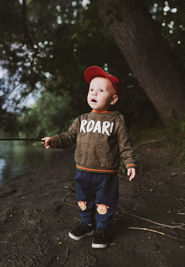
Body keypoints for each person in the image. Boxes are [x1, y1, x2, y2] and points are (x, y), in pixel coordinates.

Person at [42, 66, 136, 248]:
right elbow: (67, 137)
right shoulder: (81, 119)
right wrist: (53, 140)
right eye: (91, 89)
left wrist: (130, 162)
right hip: (82, 171)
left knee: (105, 200)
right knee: (83, 199)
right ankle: (88, 223)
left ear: (113, 98)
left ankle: (102, 228)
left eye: (101, 90)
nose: (94, 93)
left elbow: (125, 143)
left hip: (106, 172)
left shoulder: (116, 120)